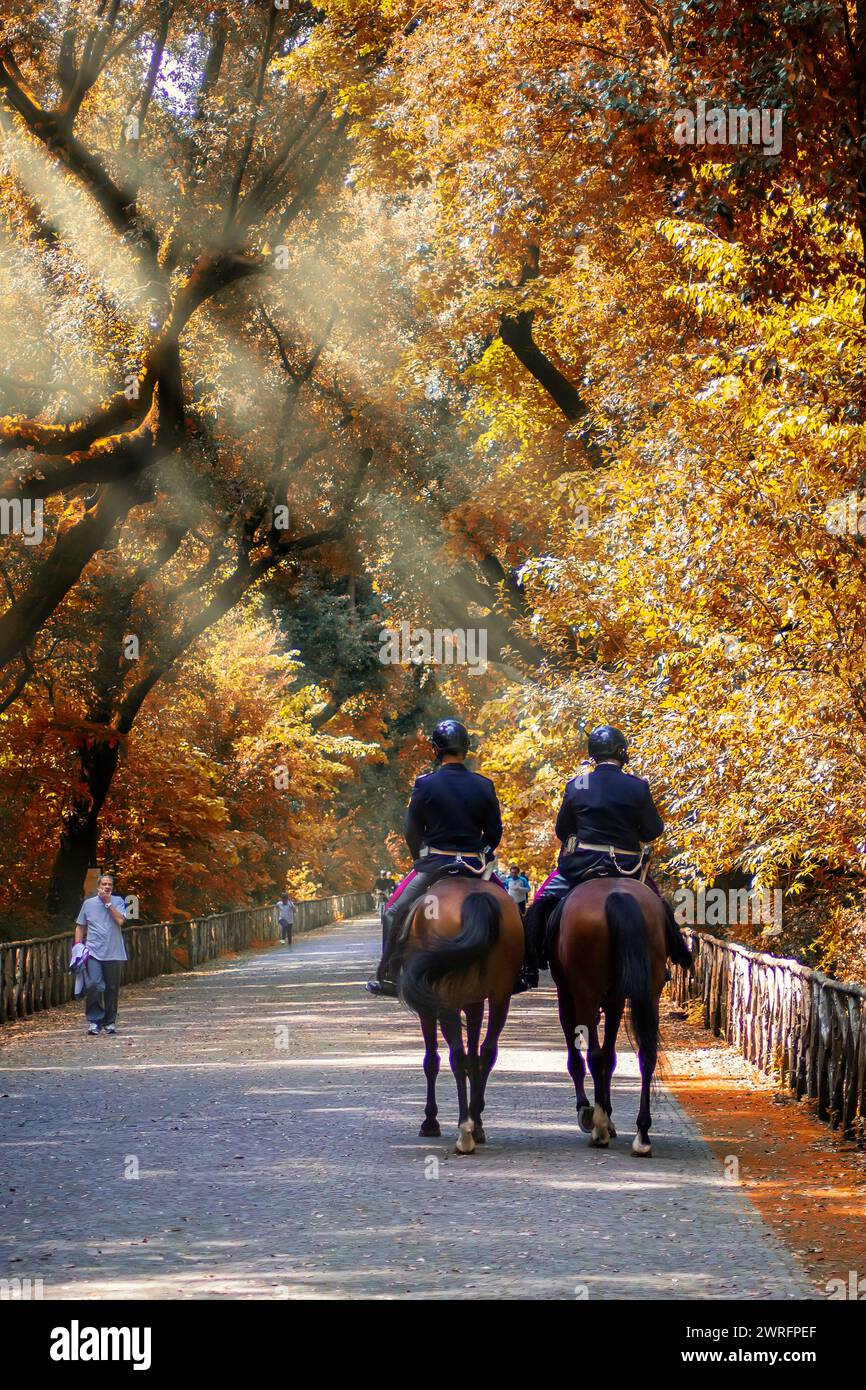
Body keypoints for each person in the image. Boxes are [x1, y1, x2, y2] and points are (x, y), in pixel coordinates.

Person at [516, 725, 664, 991]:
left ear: (593, 754)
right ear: (622, 752)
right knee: (659, 907)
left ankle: (530, 965)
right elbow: (653, 830)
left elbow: (562, 830)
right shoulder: (637, 786)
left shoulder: (577, 785)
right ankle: (662, 965)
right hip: (628, 868)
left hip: (582, 865)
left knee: (540, 902)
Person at [366, 717, 503, 998]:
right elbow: (494, 833)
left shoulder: (425, 784)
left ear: (435, 749)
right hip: (474, 866)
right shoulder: (483, 785)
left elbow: (411, 830)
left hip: (435, 864)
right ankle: (520, 969)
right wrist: (483, 853)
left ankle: (390, 975)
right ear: (466, 748)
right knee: (512, 910)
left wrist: (419, 859)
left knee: (392, 912)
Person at [74, 873, 128, 1035]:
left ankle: (110, 1022)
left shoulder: (118, 901)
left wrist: (107, 904)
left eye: (109, 884)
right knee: (94, 985)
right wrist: (77, 946)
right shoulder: (88, 904)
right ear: (98, 886)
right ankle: (94, 1020)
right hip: (93, 952)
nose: (107, 887)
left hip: (114, 952)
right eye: (104, 884)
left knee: (111, 988)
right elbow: (80, 926)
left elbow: (120, 921)